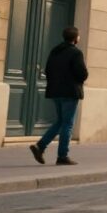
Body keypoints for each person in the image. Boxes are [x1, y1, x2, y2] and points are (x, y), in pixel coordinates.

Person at [29, 26, 88, 166]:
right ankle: (62, 156)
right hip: (70, 92)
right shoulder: (76, 53)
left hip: (56, 92)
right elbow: (82, 74)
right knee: (67, 124)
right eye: (78, 36)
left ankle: (40, 146)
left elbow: (48, 70)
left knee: (60, 121)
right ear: (75, 38)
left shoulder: (55, 51)